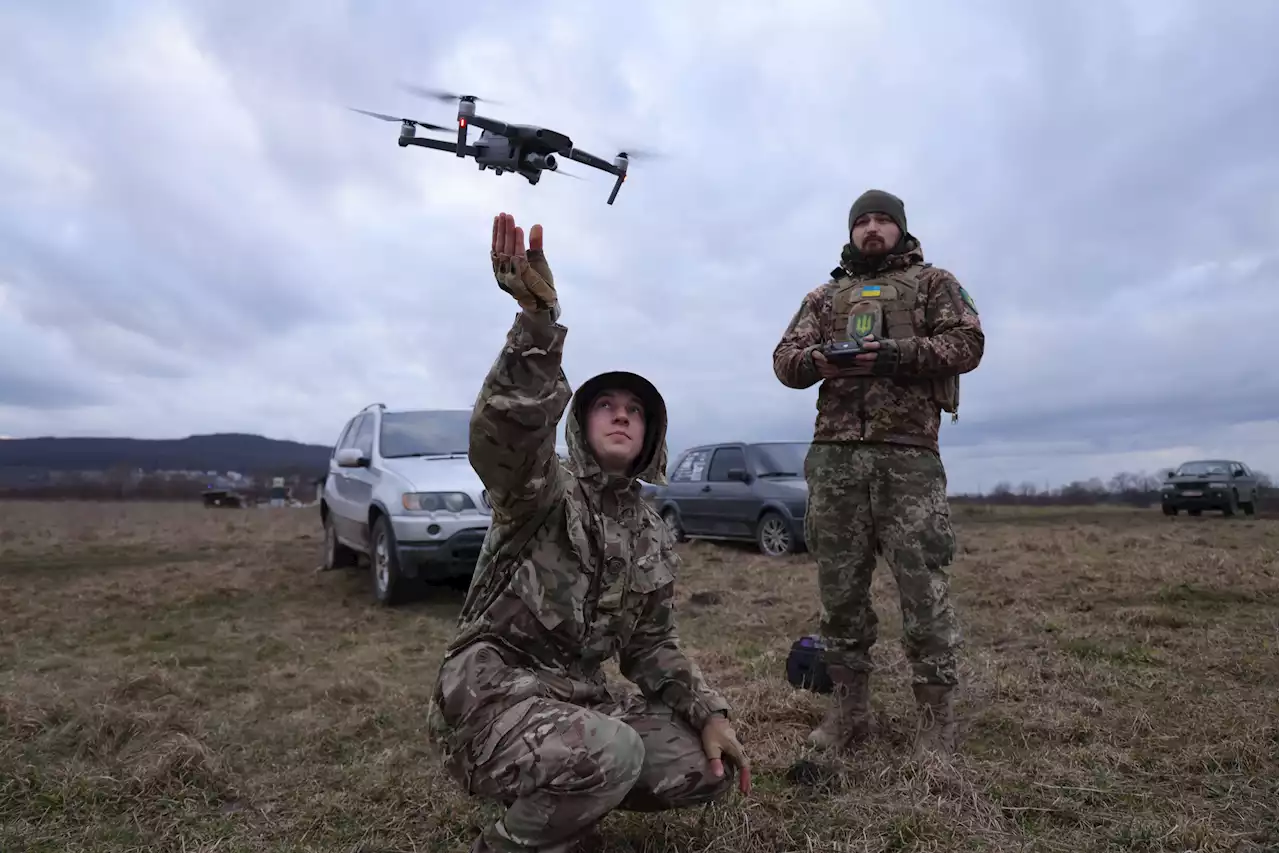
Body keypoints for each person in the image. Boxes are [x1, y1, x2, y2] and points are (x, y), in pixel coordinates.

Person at [432, 213, 751, 853]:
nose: (623, 416)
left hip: (576, 702)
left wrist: (708, 712)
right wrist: (537, 322)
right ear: (581, 422)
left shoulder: (651, 531)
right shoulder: (541, 491)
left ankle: (569, 808)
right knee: (615, 750)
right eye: (608, 405)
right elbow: (505, 435)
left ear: (650, 437)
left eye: (635, 411)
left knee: (699, 766)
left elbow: (653, 647)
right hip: (490, 699)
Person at [771, 189, 984, 757]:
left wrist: (898, 355)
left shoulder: (935, 283)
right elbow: (784, 360)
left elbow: (967, 342)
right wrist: (821, 359)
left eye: (882, 220)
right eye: (862, 220)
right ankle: (848, 713)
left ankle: (935, 722)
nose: (871, 229)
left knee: (923, 590)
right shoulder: (825, 296)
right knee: (839, 593)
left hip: (908, 457)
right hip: (836, 459)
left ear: (900, 228)